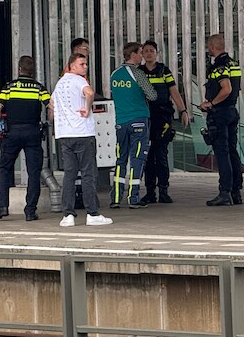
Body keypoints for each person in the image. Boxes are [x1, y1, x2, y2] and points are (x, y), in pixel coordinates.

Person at [53, 52, 112, 227]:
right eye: (82, 64)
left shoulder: (60, 83)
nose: (85, 67)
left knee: (69, 175)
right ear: (71, 66)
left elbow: (51, 103)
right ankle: (92, 213)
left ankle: (68, 215)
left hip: (65, 134)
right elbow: (90, 92)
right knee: (88, 174)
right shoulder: (79, 80)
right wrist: (87, 107)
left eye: (85, 64)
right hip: (83, 133)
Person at [0, 55, 50, 221]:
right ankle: (30, 211)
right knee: (34, 172)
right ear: (33, 71)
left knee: (5, 168)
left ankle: (2, 207)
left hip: (12, 133)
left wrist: (1, 123)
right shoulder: (39, 88)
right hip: (33, 132)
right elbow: (51, 106)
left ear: (19, 69)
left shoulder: (9, 87)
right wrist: (50, 123)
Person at [139, 40, 190, 204]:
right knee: (148, 156)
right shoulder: (139, 72)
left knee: (161, 154)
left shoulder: (164, 71)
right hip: (145, 117)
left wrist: (183, 111)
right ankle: (150, 192)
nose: (149, 53)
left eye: (151, 51)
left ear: (157, 53)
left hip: (162, 117)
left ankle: (163, 190)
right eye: (146, 51)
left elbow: (174, 92)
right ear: (142, 54)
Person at [109, 42, 157, 209]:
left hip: (121, 122)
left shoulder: (114, 74)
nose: (142, 56)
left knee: (120, 159)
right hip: (138, 120)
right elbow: (152, 95)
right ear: (133, 54)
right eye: (140, 53)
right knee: (137, 159)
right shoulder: (138, 73)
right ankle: (133, 198)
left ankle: (116, 198)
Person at [198, 34, 243, 207]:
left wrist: (210, 103)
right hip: (232, 111)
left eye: (208, 46)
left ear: (212, 46)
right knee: (232, 151)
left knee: (222, 153)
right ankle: (236, 192)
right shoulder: (233, 63)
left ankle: (225, 192)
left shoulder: (219, 66)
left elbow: (226, 89)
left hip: (220, 114)